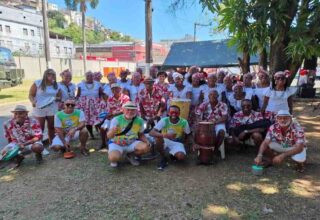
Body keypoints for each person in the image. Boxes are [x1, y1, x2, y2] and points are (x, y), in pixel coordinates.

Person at [107, 101, 151, 168]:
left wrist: (146, 141)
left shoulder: (139, 120)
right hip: (116, 143)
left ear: (136, 111)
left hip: (131, 142)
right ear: (123, 110)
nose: (130, 112)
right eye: (128, 109)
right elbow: (109, 136)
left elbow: (140, 134)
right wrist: (112, 131)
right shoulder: (116, 119)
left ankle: (130, 155)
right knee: (113, 158)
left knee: (146, 148)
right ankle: (116, 157)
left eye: (132, 110)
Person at [149, 105, 191, 170]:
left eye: (176, 112)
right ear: (168, 113)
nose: (174, 114)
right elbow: (151, 132)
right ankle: (164, 157)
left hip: (177, 142)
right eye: (172, 112)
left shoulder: (184, 122)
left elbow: (188, 134)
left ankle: (171, 154)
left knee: (181, 157)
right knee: (158, 138)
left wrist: (187, 144)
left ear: (179, 113)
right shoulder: (164, 120)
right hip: (165, 140)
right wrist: (165, 135)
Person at [29, 68, 62, 144]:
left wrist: (55, 98)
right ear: (45, 75)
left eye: (53, 74)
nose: (51, 76)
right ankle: (40, 145)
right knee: (40, 128)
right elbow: (31, 95)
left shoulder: (57, 85)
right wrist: (33, 101)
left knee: (51, 127)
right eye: (49, 74)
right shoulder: (38, 83)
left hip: (52, 108)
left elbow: (60, 97)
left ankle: (52, 143)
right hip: (40, 108)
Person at [100, 83, 130, 149]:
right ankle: (103, 143)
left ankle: (113, 143)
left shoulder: (126, 98)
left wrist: (113, 114)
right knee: (103, 128)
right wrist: (108, 115)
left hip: (123, 118)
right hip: (112, 117)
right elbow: (108, 110)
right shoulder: (110, 98)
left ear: (120, 89)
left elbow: (125, 110)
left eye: (116, 88)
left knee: (114, 128)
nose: (115, 90)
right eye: (113, 89)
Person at [76, 71, 104, 138]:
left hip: (96, 105)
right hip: (85, 105)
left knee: (98, 119)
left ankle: (102, 133)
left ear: (93, 77)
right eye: (87, 76)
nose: (89, 77)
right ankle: (91, 134)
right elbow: (78, 95)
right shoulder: (81, 84)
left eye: (91, 76)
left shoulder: (97, 84)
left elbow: (101, 94)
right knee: (87, 120)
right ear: (85, 77)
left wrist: (102, 102)